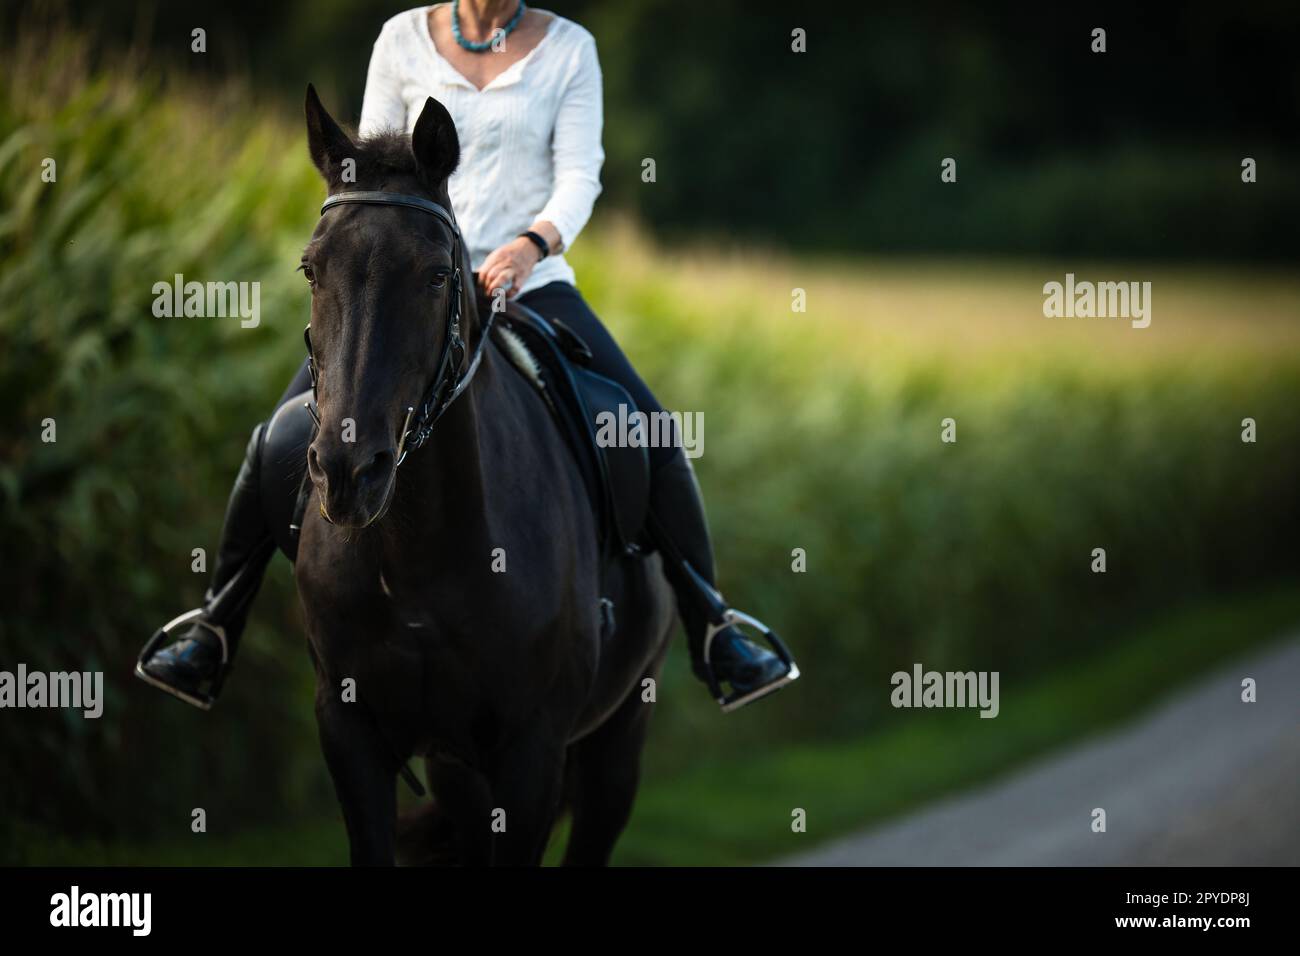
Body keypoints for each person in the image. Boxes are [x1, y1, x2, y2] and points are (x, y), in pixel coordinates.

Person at [139, 1, 796, 711]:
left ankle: (714, 629)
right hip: (405, 289)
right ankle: (214, 627)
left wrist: (530, 245)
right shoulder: (399, 38)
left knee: (648, 427)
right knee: (278, 437)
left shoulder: (571, 50)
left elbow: (580, 176)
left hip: (526, 283)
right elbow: (364, 170)